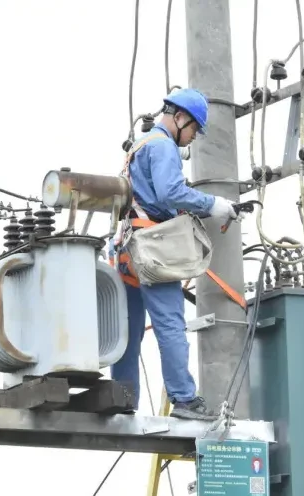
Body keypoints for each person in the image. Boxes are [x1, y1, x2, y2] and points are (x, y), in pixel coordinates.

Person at [111, 87, 239, 420]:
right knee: (170, 324)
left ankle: (122, 399)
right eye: (194, 128)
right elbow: (170, 192)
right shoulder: (163, 146)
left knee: (128, 329)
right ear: (179, 117)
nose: (193, 137)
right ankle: (184, 399)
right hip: (154, 250)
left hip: (128, 248)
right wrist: (213, 204)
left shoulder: (139, 147)